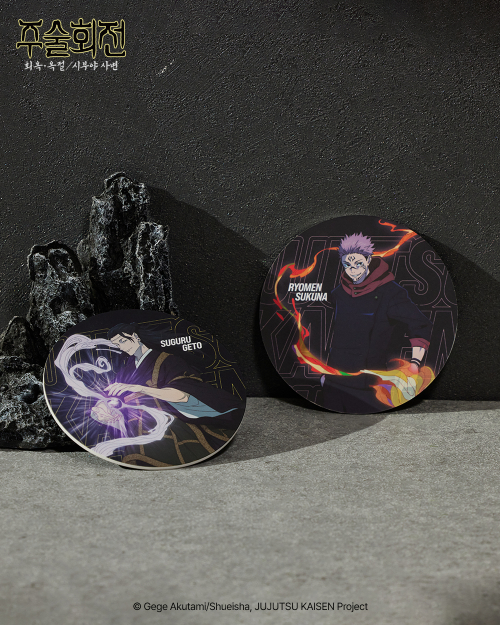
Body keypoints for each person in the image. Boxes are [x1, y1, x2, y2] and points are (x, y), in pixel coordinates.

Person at [94, 322, 244, 467]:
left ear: (135, 336)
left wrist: (140, 389)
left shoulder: (168, 360)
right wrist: (102, 408)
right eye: (117, 344)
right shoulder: (127, 368)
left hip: (168, 420)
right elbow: (109, 395)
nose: (121, 347)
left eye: (122, 341)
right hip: (135, 424)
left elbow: (182, 396)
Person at [321, 233, 433, 413]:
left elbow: (420, 325)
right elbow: (333, 335)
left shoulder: (390, 293)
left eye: (358, 264)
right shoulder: (338, 294)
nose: (352, 270)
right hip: (334, 381)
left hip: (369, 386)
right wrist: (325, 374)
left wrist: (414, 363)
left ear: (368, 260)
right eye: (347, 265)